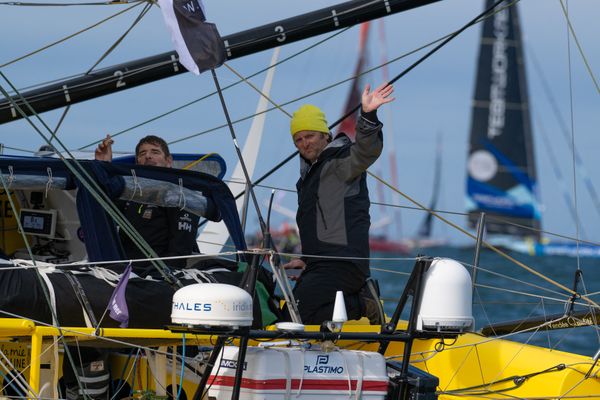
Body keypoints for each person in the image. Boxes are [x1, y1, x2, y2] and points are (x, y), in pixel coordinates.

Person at [283, 82, 394, 325]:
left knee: (295, 315)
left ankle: (362, 303)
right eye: (298, 140)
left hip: (343, 264)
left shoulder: (340, 161)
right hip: (322, 264)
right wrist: (307, 259)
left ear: (325, 135)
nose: (305, 143)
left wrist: (368, 115)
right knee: (287, 308)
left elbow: (366, 151)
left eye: (310, 136)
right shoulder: (307, 179)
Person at [95, 134, 200, 274]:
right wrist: (104, 165)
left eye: (155, 152)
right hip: (124, 274)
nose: (148, 156)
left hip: (160, 278)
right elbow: (101, 207)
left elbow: (179, 251)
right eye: (142, 153)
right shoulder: (129, 195)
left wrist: (161, 276)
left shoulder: (180, 195)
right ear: (138, 163)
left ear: (168, 161)